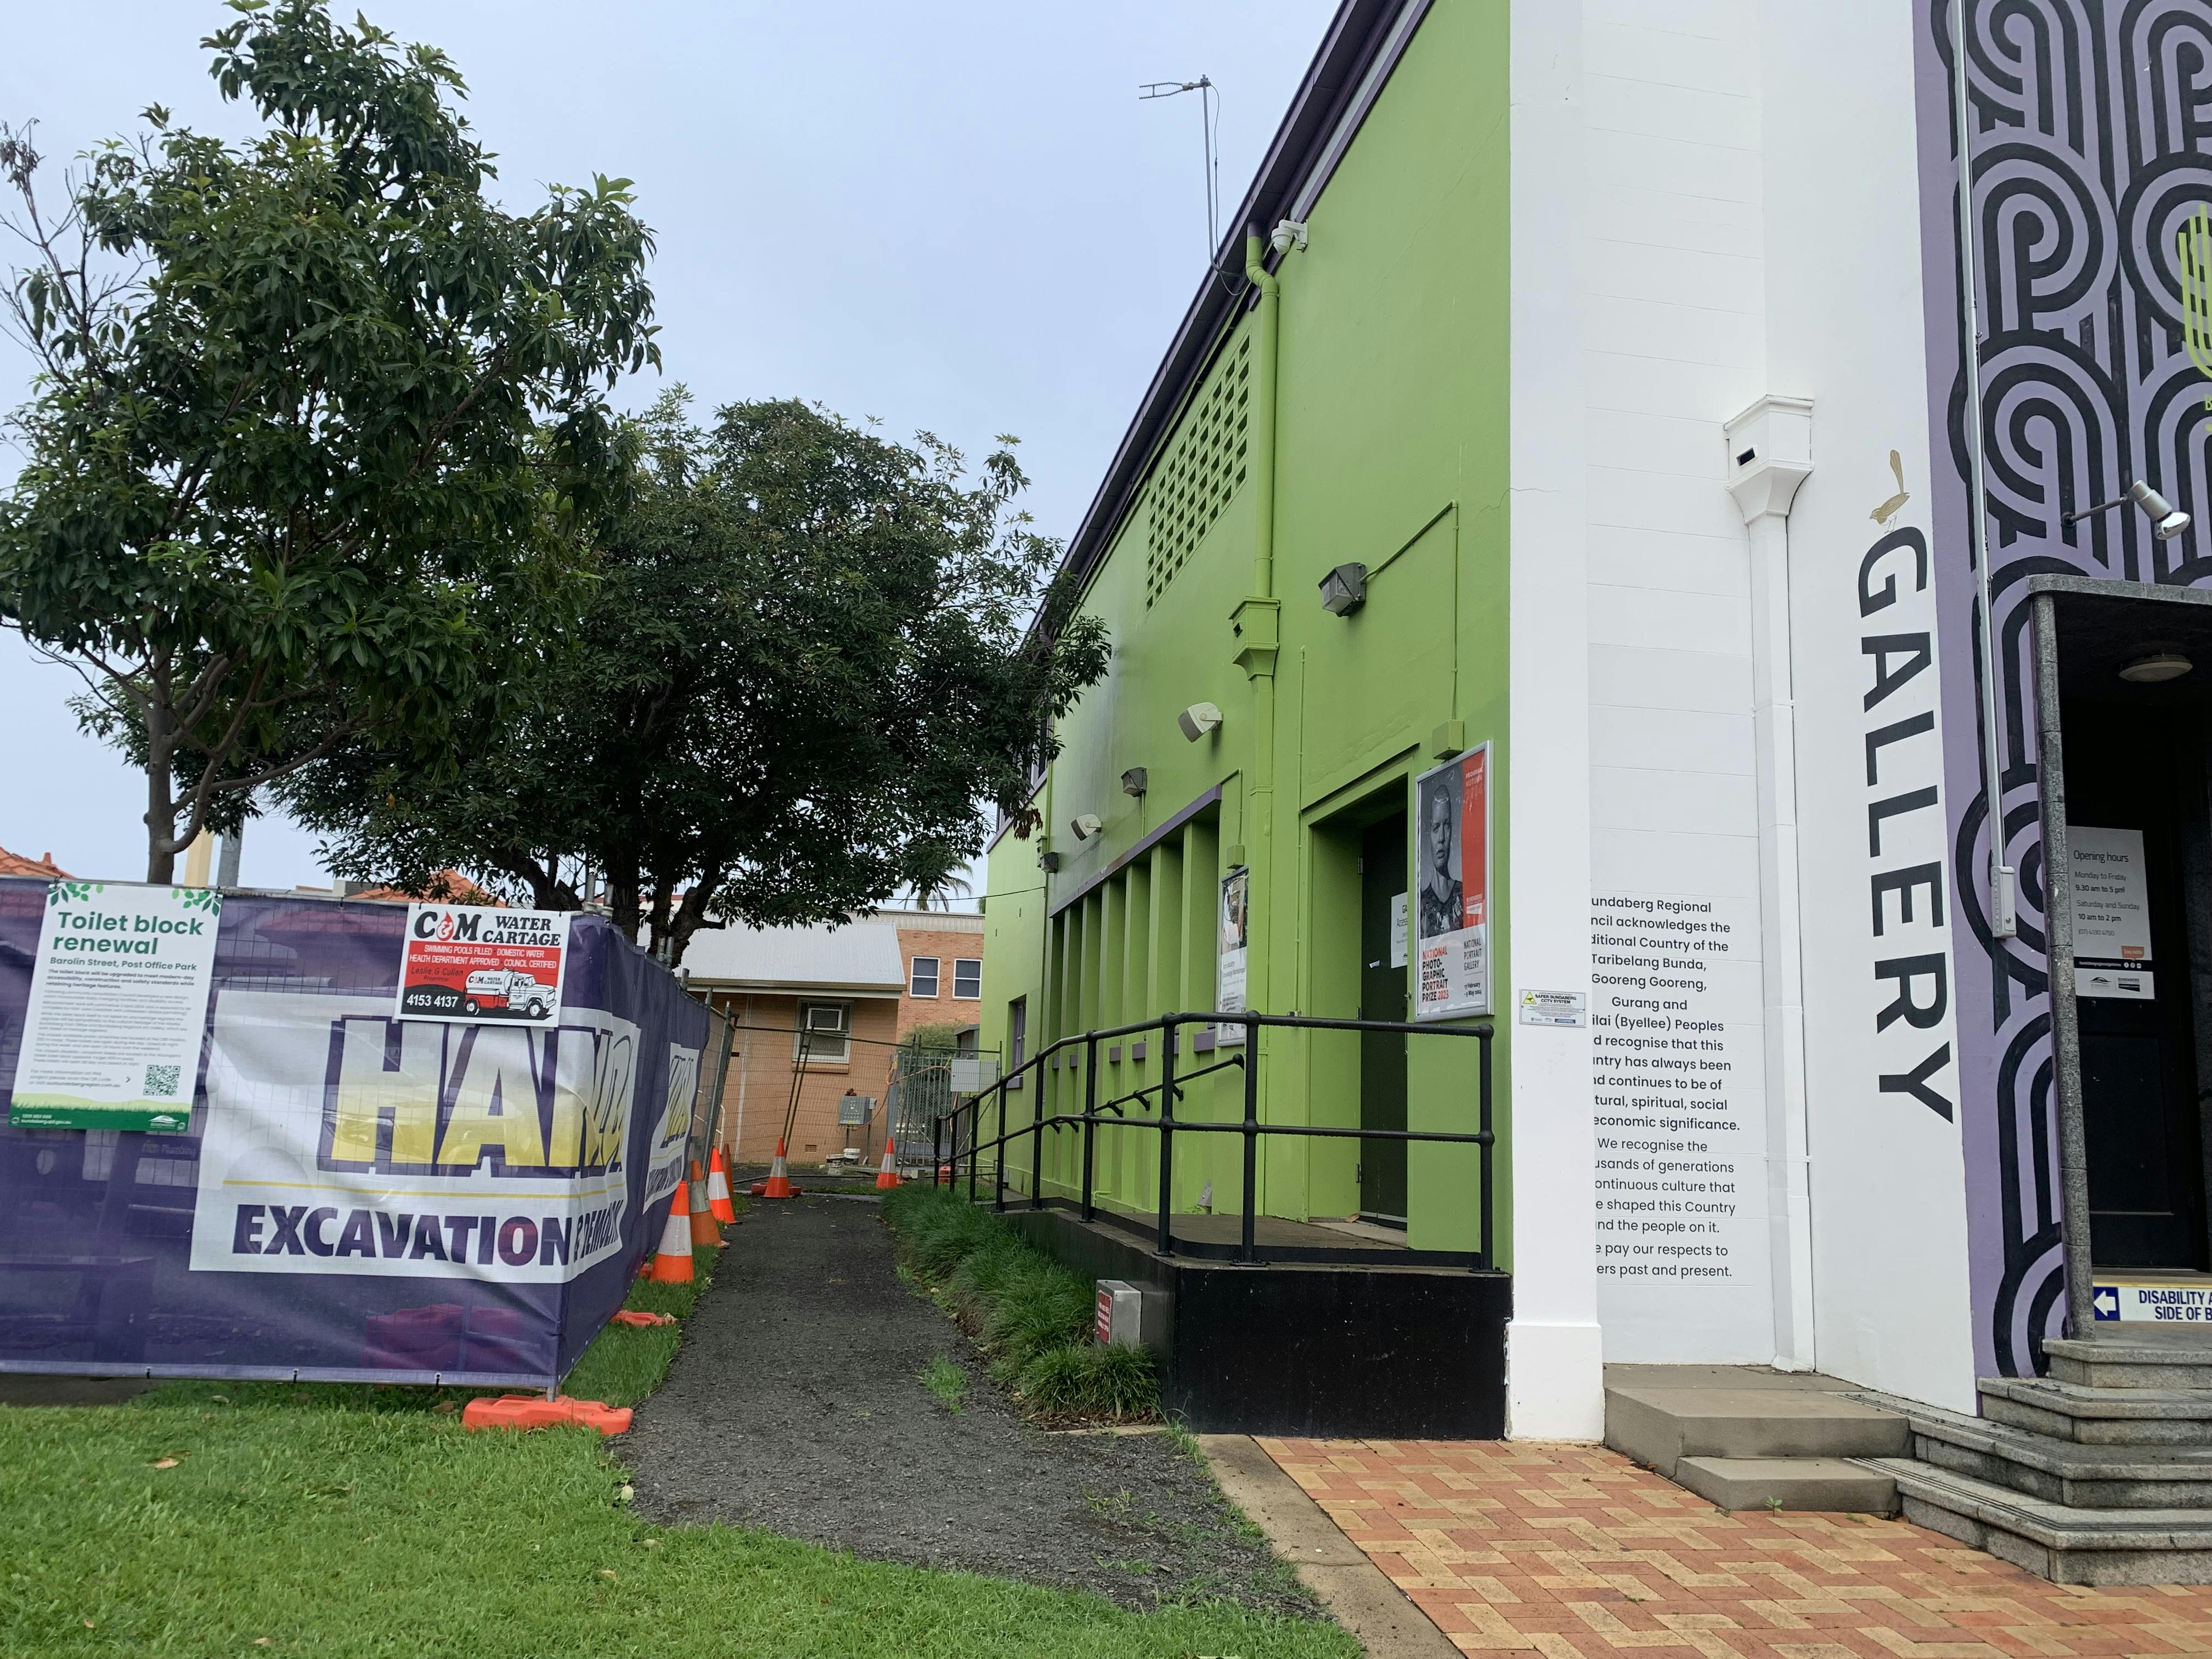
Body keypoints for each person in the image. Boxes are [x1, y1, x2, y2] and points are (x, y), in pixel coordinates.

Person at [1418, 772, 1462, 938]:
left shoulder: (1464, 896)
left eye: (1447, 826)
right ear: (1429, 834)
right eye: (1436, 828)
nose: (1442, 838)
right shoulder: (1422, 904)